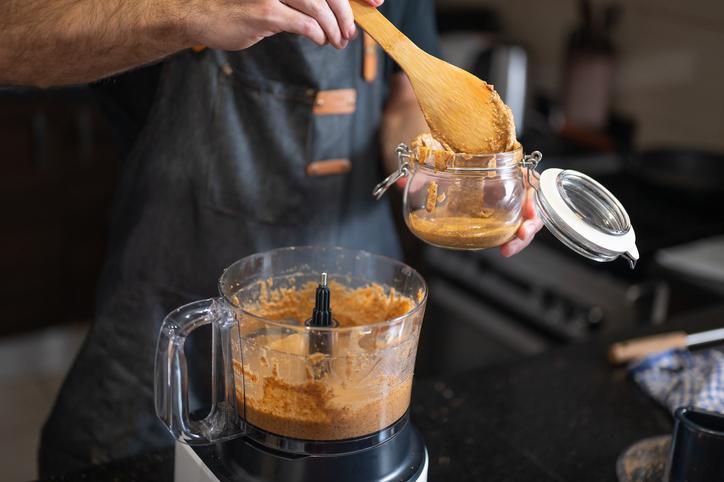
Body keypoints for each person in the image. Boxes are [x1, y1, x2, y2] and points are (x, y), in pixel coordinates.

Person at [0, 0, 542, 476]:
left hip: (357, 334)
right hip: (173, 307)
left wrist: (442, 172)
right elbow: (12, 39)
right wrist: (189, 10)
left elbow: (405, 99)